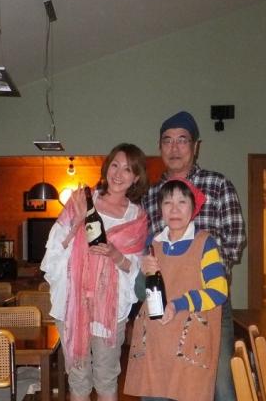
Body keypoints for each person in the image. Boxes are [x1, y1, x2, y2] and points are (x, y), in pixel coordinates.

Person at [142, 111, 246, 401]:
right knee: (164, 382)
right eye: (167, 141)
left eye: (182, 140)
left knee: (219, 382)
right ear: (159, 146)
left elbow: (235, 239)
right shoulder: (151, 195)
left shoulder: (218, 184)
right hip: (164, 306)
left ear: (196, 146)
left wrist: (198, 267)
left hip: (210, 303)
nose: (174, 147)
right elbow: (147, 247)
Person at [40, 143, 149, 401]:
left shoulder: (136, 217)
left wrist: (114, 254)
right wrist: (77, 222)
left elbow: (134, 269)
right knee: (77, 378)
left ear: (136, 177)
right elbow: (55, 250)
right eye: (115, 165)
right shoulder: (82, 200)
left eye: (128, 169)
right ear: (107, 167)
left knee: (106, 377)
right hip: (74, 302)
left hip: (109, 308)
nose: (119, 174)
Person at [124, 178, 228, 401]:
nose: (174, 209)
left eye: (182, 202)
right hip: (155, 342)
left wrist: (178, 304)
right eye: (167, 203)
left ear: (193, 208)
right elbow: (141, 293)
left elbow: (219, 292)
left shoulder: (205, 243)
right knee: (154, 395)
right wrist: (144, 273)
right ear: (160, 209)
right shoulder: (153, 243)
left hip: (189, 342)